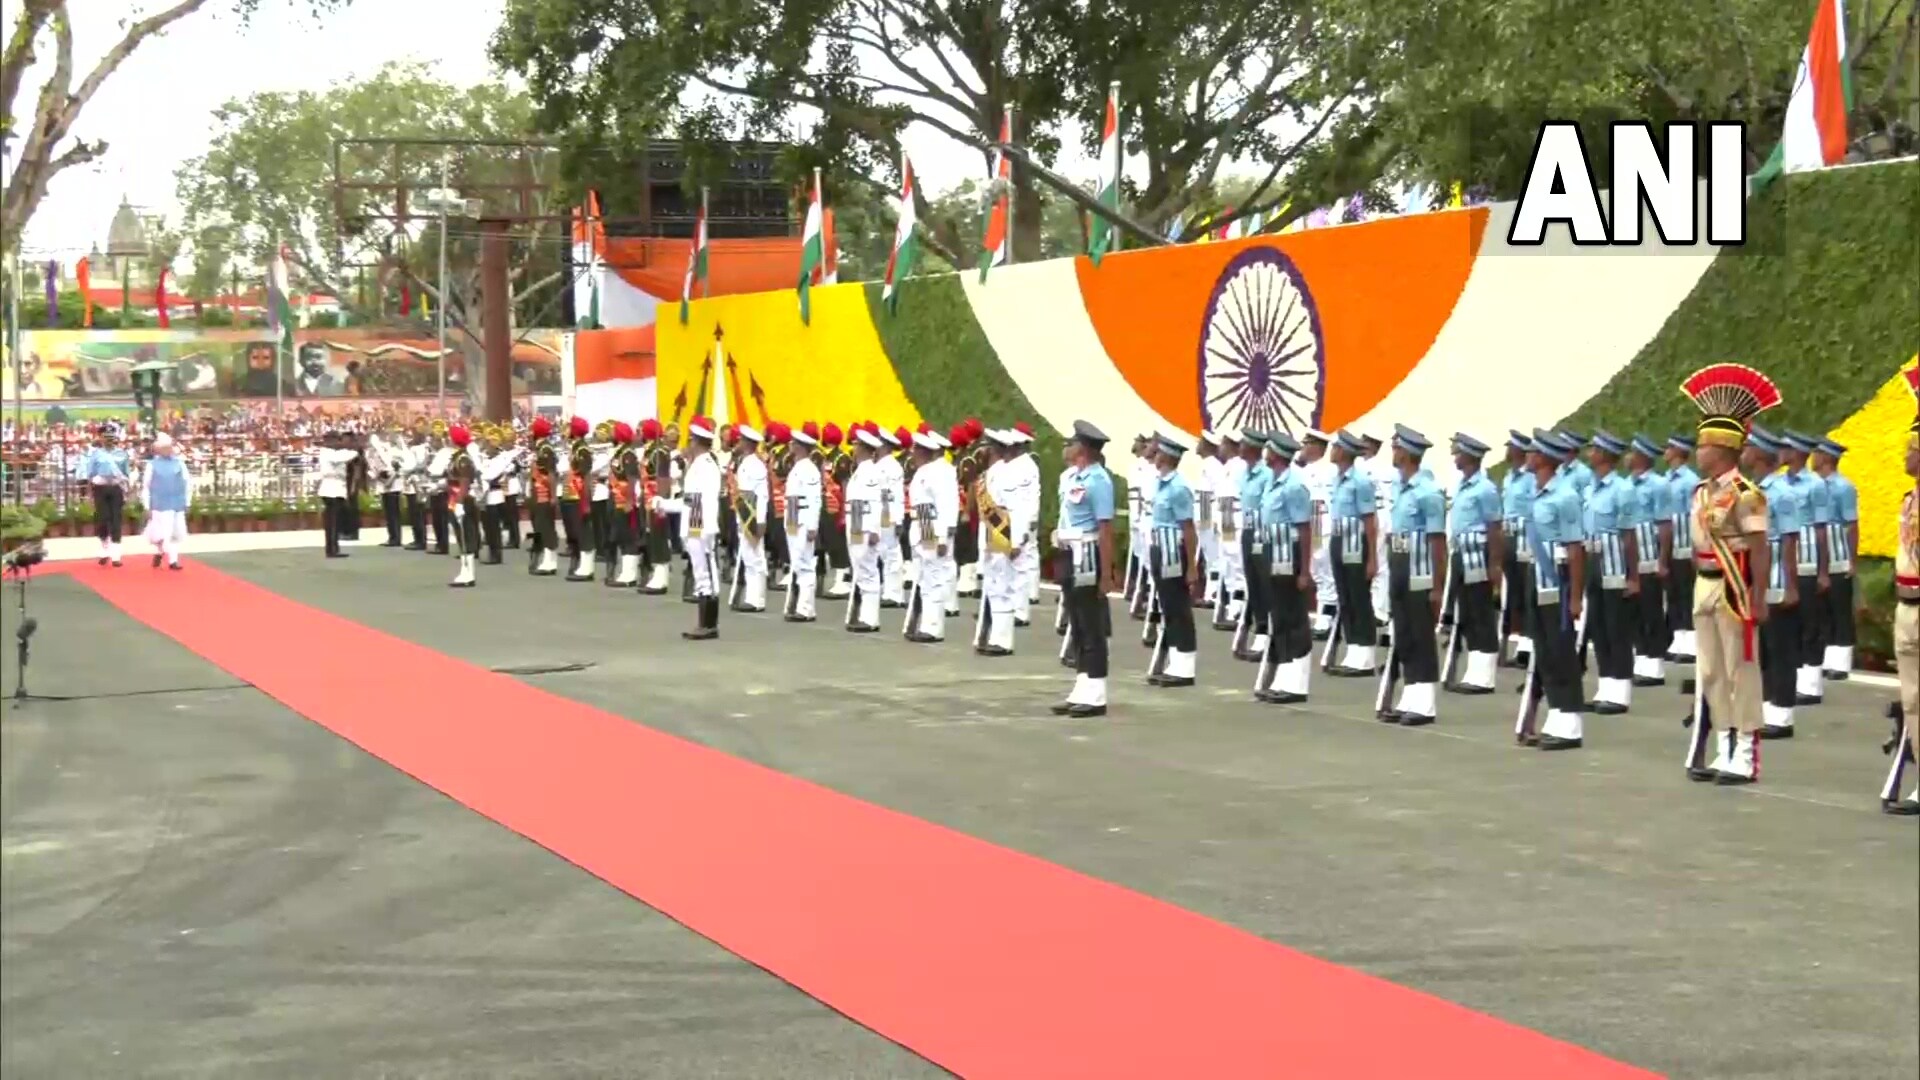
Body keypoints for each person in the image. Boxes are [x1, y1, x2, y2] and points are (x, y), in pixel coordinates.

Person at [1680, 363, 1780, 785]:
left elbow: (1759, 547)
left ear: (1721, 450)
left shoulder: (1746, 495)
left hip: (1734, 586)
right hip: (1704, 584)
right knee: (1711, 671)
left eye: (1703, 447)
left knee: (1741, 670)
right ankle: (1723, 743)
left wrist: (1758, 597)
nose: (1697, 453)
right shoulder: (1701, 492)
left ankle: (1746, 751)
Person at [1515, 430, 1588, 750]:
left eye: (1532, 452)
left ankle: (1570, 722)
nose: (1527, 456)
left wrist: (1574, 597)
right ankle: (1556, 714)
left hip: (1557, 579)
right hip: (1537, 577)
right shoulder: (1536, 492)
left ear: (1543, 458)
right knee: (1543, 650)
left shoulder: (1566, 496)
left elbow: (1575, 549)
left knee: (1561, 652)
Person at [1376, 426, 1448, 725]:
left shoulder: (1428, 492)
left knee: (1420, 635)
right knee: (1403, 633)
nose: (1393, 453)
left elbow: (1437, 542)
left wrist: (1437, 586)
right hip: (1400, 565)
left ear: (1406, 453)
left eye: (1395, 449)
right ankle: (1410, 694)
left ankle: (1425, 702)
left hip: (1420, 570)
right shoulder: (1399, 487)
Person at [1051, 421, 1118, 716]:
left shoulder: (1099, 481)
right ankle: (1082, 684)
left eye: (1072, 442)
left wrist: (1107, 573)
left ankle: (1097, 691)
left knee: (1091, 625)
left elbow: (1105, 529)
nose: (1067, 446)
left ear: (1085, 449)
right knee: (1076, 624)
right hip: (1069, 553)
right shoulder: (1071, 477)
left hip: (1089, 555)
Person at [1745, 427, 1802, 740]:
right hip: (1761, 578)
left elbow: (1791, 541)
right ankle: (1768, 709)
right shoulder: (1756, 490)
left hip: (1779, 579)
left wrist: (1792, 585)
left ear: (1761, 455)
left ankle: (1782, 715)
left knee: (1780, 649)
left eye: (1750, 447)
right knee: (1765, 649)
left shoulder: (1781, 493)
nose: (1744, 452)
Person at [1580, 432, 1641, 714]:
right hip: (1592, 558)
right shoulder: (1591, 488)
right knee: (1598, 626)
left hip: (1614, 561)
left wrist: (1633, 576)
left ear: (1605, 454)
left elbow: (1630, 536)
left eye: (1594, 448)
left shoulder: (1622, 489)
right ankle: (1605, 685)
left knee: (1617, 628)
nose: (1589, 451)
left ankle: (1620, 692)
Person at [650, 415, 725, 639]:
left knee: (706, 573)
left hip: (701, 522)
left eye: (691, 440)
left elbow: (695, 500)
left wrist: (666, 505)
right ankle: (704, 622)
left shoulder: (706, 466)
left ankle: (709, 624)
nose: (688, 444)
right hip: (695, 521)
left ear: (696, 441)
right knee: (700, 571)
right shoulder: (698, 465)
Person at [1254, 433, 1315, 704]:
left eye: (1268, 450)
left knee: (1293, 617)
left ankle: (1297, 682)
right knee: (1278, 616)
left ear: (1276, 454)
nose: (1264, 453)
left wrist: (1304, 571)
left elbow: (1304, 529)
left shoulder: (1294, 485)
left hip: (1288, 555)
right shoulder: (1271, 482)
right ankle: (1283, 675)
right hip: (1272, 552)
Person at [1445, 432, 1505, 693]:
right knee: (1467, 613)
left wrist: (1494, 564)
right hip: (1461, 552)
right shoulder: (1462, 484)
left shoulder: (1485, 489)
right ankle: (1473, 669)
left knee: (1481, 613)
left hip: (1477, 553)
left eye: (1458, 452)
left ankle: (1484, 675)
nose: (1454, 456)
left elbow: (1495, 528)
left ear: (1469, 456)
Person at [1882, 381, 1919, 814]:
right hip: (1907, 606)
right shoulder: (1909, 500)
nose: (1906, 457)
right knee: (1912, 698)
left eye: (1911, 449)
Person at [1145, 433, 1201, 688]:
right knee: (1168, 607)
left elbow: (1188, 529)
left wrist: (1191, 566)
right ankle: (1175, 662)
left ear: (1167, 456)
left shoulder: (1178, 487)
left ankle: (1185, 665)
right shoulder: (1160, 483)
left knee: (1178, 608)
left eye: (1157, 453)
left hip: (1173, 551)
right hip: (1160, 548)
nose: (1154, 457)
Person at [1780, 430, 1831, 704]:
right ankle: (1796, 677)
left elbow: (1822, 529)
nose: (1781, 451)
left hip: (1809, 562)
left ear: (1798, 452)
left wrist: (1824, 570)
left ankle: (1812, 684)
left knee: (1811, 624)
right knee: (1793, 625)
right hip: (1789, 564)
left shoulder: (1815, 485)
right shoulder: (1780, 484)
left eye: (1786, 447)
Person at [1326, 430, 1380, 675]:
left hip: (1355, 542)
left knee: (1359, 597)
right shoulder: (1337, 479)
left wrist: (1372, 558)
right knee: (1345, 597)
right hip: (1339, 538)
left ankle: (1366, 652)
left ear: (1345, 452)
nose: (1332, 451)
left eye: (1336, 447)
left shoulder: (1361, 481)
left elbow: (1370, 520)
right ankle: (1353, 647)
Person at [905, 428, 960, 643]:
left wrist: (943, 537)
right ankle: (925, 623)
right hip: (922, 523)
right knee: (924, 578)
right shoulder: (925, 471)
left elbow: (947, 505)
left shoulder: (941, 472)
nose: (913, 453)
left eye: (917, 449)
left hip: (932, 525)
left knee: (934, 578)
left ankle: (933, 627)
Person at [1811, 438, 1859, 678]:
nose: (1813, 457)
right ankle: (1828, 659)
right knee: (1824, 610)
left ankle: (1842, 662)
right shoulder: (1815, 486)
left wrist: (1852, 560)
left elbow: (1852, 525)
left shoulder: (1843, 487)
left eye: (1817, 453)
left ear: (1827, 458)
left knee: (1840, 609)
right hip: (1820, 556)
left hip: (1838, 555)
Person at [1625, 435, 1670, 686]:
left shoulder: (1658, 485)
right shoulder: (1626, 484)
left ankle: (1655, 665)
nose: (1628, 457)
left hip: (1650, 554)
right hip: (1632, 557)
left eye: (1633, 452)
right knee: (1635, 612)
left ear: (1642, 456)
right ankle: (1641, 657)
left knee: (1651, 610)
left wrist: (1663, 560)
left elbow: (1665, 525)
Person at [1232, 432, 1274, 661]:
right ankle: (1260, 629)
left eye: (1243, 444)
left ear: (1254, 448)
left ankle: (1266, 633)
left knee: (1264, 583)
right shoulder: (1244, 474)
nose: (1239, 446)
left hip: (1262, 534)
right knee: (1253, 583)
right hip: (1248, 531)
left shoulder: (1266, 475)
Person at [1662, 435, 1701, 665]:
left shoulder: (1690, 480)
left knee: (1687, 594)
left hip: (1686, 545)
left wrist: (1697, 548)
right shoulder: (1666, 479)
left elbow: (1696, 516)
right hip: (1671, 545)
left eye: (1669, 447)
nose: (1665, 451)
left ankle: (1691, 643)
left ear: (1679, 451)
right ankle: (1678, 639)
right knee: (1674, 594)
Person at [1499, 431, 1537, 668]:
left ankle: (1527, 646)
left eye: (1511, 447)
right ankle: (1517, 640)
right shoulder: (1508, 477)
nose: (1507, 451)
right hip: (1508, 534)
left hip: (1525, 536)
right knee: (1513, 591)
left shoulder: (1530, 478)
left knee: (1526, 590)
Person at [1298, 430, 1339, 638]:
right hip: (1311, 524)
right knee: (1316, 571)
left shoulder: (1330, 471)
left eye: (1307, 444)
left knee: (1326, 572)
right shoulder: (1303, 471)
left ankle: (1327, 618)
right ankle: (1326, 614)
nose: (1303, 448)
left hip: (1325, 525)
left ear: (1316, 447)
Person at [783, 425, 824, 622]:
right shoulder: (797, 467)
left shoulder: (810, 469)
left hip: (802, 519)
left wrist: (812, 526)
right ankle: (799, 604)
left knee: (805, 563)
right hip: (792, 517)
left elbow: (815, 500)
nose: (790, 445)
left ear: (801, 446)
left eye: (794, 443)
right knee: (797, 562)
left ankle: (806, 608)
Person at [77, 422, 132, 566]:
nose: (108, 440)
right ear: (101, 438)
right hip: (100, 488)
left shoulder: (122, 454)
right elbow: (90, 475)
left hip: (116, 487)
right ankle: (104, 549)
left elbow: (126, 474)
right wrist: (89, 494)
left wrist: (128, 492)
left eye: (111, 437)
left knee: (116, 519)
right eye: (105, 437)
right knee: (102, 519)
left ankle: (116, 555)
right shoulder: (96, 455)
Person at [729, 425, 770, 612]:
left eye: (739, 440)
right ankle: (750, 596)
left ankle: (756, 599)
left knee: (755, 557)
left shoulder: (756, 465)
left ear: (746, 443)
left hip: (752, 513)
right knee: (747, 556)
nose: (736, 443)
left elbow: (762, 495)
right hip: (744, 512)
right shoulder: (744, 462)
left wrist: (760, 520)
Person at [1007, 424, 1044, 624]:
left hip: (1022, 518)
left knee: (1022, 561)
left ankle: (1020, 610)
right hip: (1014, 518)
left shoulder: (1027, 466)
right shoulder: (1016, 465)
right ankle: (1018, 603)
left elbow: (1031, 496)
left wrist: (1031, 520)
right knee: (1017, 563)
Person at [139, 432, 191, 570]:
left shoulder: (180, 463)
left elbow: (187, 483)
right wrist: (146, 505)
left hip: (177, 502)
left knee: (175, 532)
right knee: (162, 532)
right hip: (159, 503)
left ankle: (173, 561)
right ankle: (159, 551)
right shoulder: (152, 465)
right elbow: (146, 486)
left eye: (169, 447)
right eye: (165, 448)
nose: (168, 450)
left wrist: (187, 502)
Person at [606, 422, 644, 586]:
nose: (611, 433)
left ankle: (630, 575)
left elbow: (632, 478)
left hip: (625, 500)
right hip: (616, 498)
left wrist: (630, 501)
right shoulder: (619, 452)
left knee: (628, 537)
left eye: (614, 431)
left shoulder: (628, 454)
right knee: (621, 536)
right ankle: (625, 571)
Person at [445, 425, 483, 588]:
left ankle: (469, 574)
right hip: (454, 498)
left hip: (462, 500)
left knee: (466, 535)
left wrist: (459, 503)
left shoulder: (463, 459)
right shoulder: (457, 457)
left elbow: (464, 482)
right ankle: (464, 570)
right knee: (461, 536)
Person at [873, 426, 907, 607]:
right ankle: (888, 590)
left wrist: (898, 519)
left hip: (888, 512)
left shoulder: (893, 467)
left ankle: (894, 593)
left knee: (891, 553)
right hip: (880, 511)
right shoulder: (878, 465)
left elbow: (897, 495)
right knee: (882, 552)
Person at [524, 416, 562, 576]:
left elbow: (551, 474)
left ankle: (550, 561)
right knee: (539, 526)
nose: (528, 435)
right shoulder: (538, 449)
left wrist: (553, 496)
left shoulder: (546, 450)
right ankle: (546, 559)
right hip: (536, 492)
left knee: (546, 526)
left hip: (544, 494)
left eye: (531, 431)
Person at [315, 430, 359, 559]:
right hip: (331, 489)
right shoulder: (327, 453)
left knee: (335, 521)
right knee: (332, 522)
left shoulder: (332, 452)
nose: (338, 442)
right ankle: (332, 550)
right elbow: (343, 457)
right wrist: (355, 450)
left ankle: (334, 547)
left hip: (336, 489)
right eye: (336, 440)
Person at [560, 416, 594, 579]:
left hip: (578, 495)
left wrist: (586, 501)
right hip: (570, 493)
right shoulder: (574, 448)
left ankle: (587, 567)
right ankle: (577, 562)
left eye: (569, 428)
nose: (566, 431)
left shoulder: (583, 450)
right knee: (573, 532)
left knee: (582, 532)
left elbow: (586, 476)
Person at [1194, 430, 1222, 607]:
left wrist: (1211, 521)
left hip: (1208, 516)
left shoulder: (1213, 466)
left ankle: (1213, 594)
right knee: (1207, 555)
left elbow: (1217, 495)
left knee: (1214, 557)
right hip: (1202, 516)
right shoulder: (1207, 464)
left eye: (1201, 441)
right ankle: (1209, 593)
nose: (1198, 444)